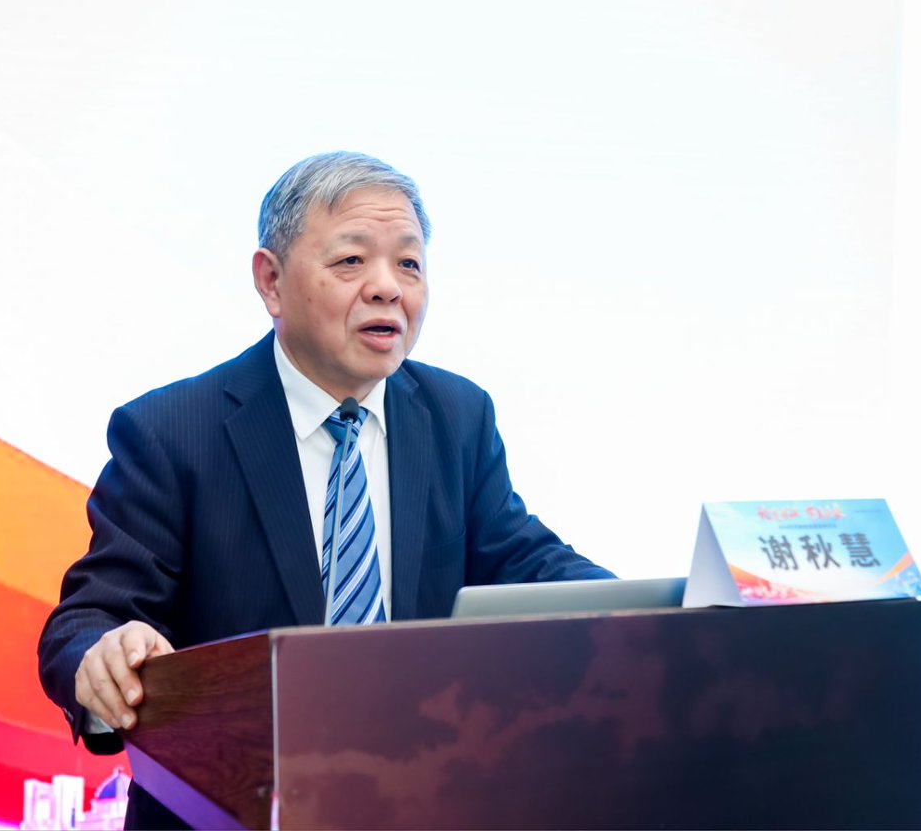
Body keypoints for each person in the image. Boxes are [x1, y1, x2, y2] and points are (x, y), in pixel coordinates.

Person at [37, 151, 614, 828]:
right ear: (271, 281)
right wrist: (105, 654)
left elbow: (527, 563)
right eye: (351, 261)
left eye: (409, 263)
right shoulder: (173, 431)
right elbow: (89, 618)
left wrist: (666, 619)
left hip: (420, 804)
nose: (387, 288)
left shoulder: (458, 416)